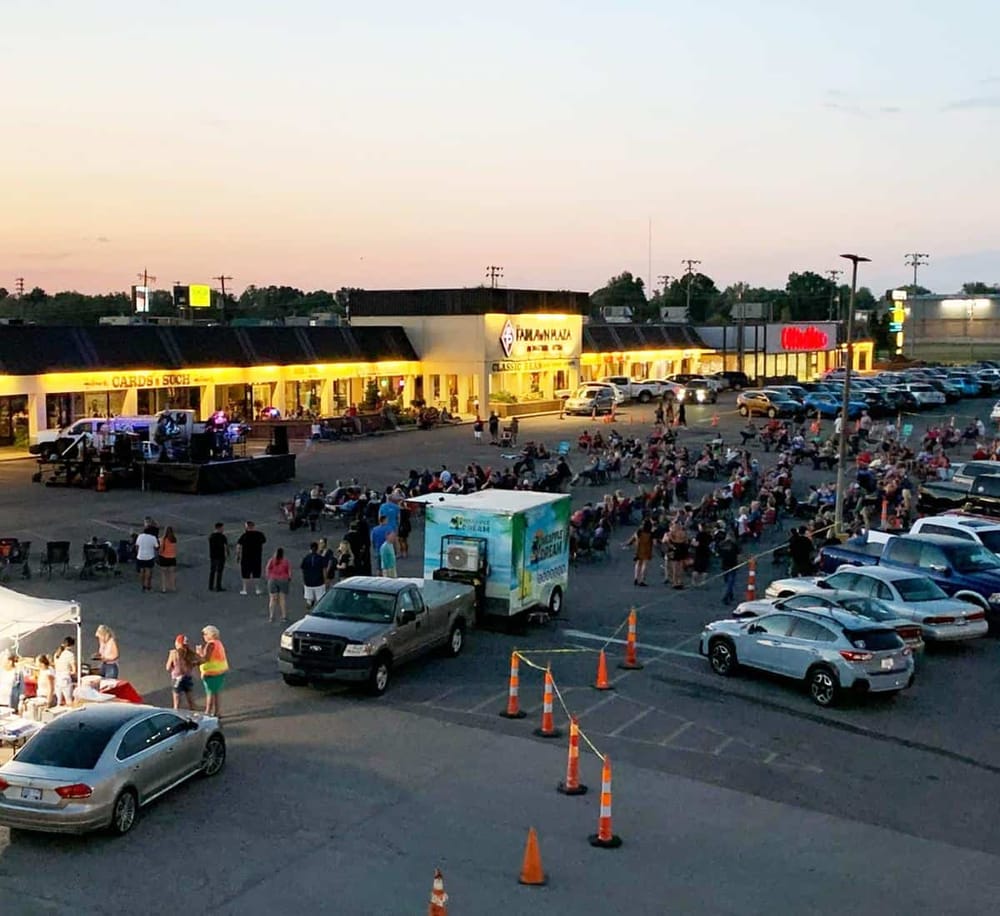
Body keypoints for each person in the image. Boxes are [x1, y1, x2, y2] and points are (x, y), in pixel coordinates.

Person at [196, 625, 228, 718]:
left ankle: (208, 712)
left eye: (205, 634)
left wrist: (198, 654)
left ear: (210, 635)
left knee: (210, 693)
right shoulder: (218, 643)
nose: (204, 636)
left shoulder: (210, 645)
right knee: (216, 692)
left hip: (211, 673)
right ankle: (217, 712)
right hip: (220, 671)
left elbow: (205, 659)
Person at [165, 634, 198, 712]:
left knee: (177, 703)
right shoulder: (189, 653)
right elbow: (194, 664)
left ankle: (176, 718)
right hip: (187, 677)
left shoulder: (173, 653)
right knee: (191, 701)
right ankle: (194, 717)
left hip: (176, 678)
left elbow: (168, 667)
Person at [236, 521, 267, 596]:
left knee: (245, 574)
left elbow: (238, 546)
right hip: (257, 557)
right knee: (256, 573)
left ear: (247, 527)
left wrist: (238, 556)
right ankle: (257, 589)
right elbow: (264, 541)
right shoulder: (260, 535)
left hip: (246, 558)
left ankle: (244, 589)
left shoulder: (244, 535)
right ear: (253, 526)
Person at [623, 518, 654, 587]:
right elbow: (653, 541)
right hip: (647, 548)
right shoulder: (650, 533)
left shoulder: (639, 531)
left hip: (639, 548)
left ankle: (636, 578)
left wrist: (629, 543)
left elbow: (634, 538)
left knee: (638, 563)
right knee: (645, 564)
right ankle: (642, 580)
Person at [265, 547, 292, 622]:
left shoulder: (272, 560)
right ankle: (284, 616)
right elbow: (289, 571)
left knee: (272, 599)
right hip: (283, 580)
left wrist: (268, 577)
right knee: (282, 599)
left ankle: (271, 616)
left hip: (273, 580)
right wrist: (289, 578)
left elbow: (267, 568)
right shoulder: (285, 561)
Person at [301, 542, 328, 609]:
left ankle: (308, 613)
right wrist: (326, 580)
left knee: (309, 601)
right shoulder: (320, 558)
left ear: (310, 549)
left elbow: (303, 570)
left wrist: (304, 580)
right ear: (317, 549)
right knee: (320, 600)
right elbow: (324, 570)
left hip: (308, 583)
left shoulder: (306, 558)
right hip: (319, 582)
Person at [134, 524, 159, 592]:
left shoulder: (140, 536)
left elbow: (137, 546)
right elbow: (157, 547)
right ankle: (147, 585)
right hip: (149, 556)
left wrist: (138, 553)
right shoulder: (153, 538)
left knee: (142, 571)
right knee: (148, 571)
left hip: (140, 556)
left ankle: (143, 585)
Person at [718, 530, 740, 604]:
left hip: (725, 564)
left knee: (727, 581)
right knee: (730, 581)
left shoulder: (722, 544)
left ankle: (729, 594)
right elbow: (738, 555)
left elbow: (719, 553)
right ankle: (728, 594)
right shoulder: (735, 544)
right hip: (733, 564)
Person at [53, 637, 76, 706]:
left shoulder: (56, 654)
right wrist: (71, 673)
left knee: (58, 701)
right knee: (69, 701)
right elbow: (74, 671)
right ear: (72, 646)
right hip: (65, 678)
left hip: (57, 678)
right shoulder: (70, 655)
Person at [208, 522, 229, 592]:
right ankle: (218, 586)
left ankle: (210, 586)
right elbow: (225, 546)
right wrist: (227, 554)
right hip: (220, 556)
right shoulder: (222, 537)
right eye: (222, 528)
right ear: (219, 528)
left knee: (212, 571)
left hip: (213, 556)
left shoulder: (211, 536)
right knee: (219, 571)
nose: (223, 529)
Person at [158, 525, 178, 592]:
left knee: (164, 574)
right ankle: (173, 587)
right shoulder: (174, 539)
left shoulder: (163, 539)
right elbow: (175, 549)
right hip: (172, 558)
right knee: (172, 573)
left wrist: (159, 553)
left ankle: (164, 588)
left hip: (164, 558)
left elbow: (161, 549)